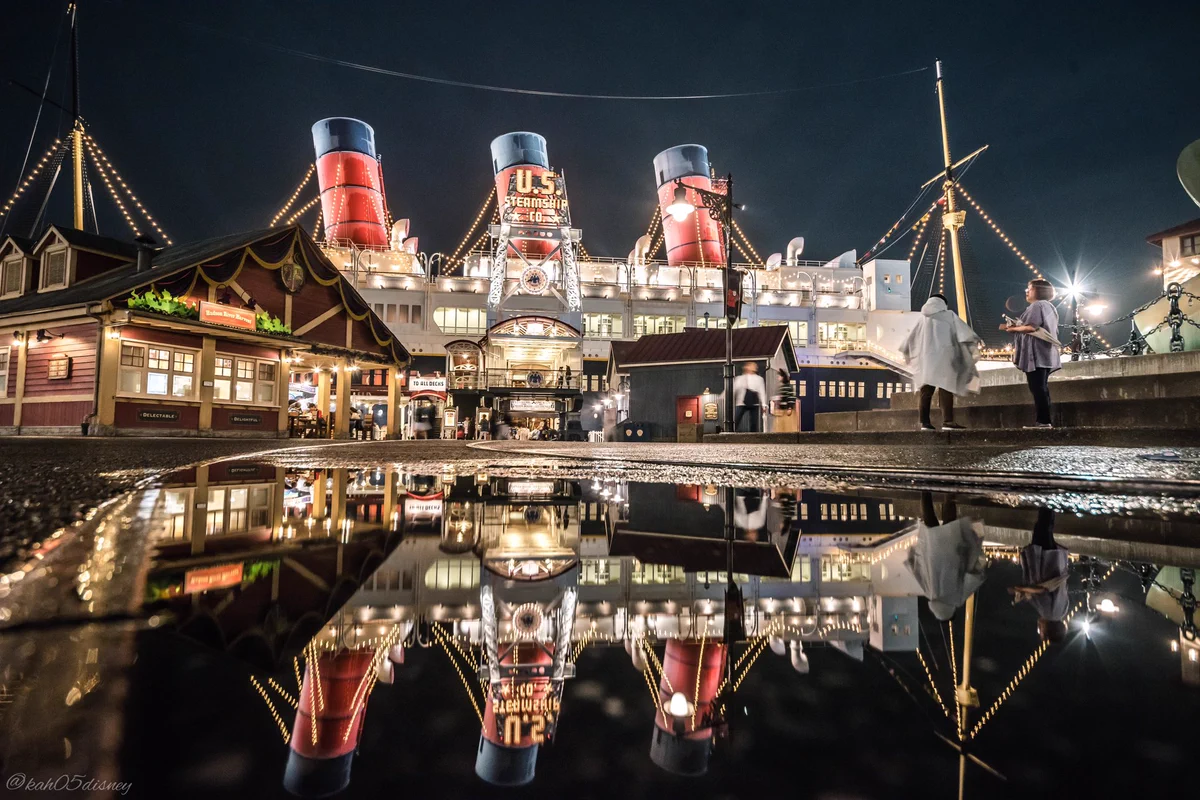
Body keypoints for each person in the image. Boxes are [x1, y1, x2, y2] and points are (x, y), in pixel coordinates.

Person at [900, 293, 982, 431]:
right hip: (945, 358)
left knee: (926, 391)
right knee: (946, 388)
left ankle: (924, 423)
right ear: (943, 303)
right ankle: (948, 421)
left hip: (926, 361)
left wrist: (910, 356)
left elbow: (909, 341)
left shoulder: (922, 319)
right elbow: (965, 335)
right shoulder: (949, 316)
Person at [904, 492, 987, 620]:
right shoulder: (929, 593)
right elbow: (916, 571)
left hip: (952, 551)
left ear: (950, 612)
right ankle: (924, 490)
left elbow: (973, 578)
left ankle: (949, 493)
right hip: (932, 548)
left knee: (950, 520)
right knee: (929, 516)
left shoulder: (957, 598)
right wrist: (912, 556)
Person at [1000, 279, 1061, 428]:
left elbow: (1031, 327)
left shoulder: (1037, 305)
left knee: (1037, 387)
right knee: (1042, 387)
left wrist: (1011, 329)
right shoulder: (1050, 306)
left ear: (1039, 291)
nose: (1027, 291)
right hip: (1046, 352)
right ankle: (1044, 420)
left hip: (1036, 354)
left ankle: (1043, 421)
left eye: (1030, 288)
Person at [1008, 508, 1069, 642]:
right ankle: (1047, 501)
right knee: (1041, 527)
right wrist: (1021, 589)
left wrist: (1024, 594)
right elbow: (1042, 590)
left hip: (1054, 562)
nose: (1039, 628)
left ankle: (1050, 505)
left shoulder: (1062, 612)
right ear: (1047, 630)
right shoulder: (1047, 613)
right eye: (1040, 631)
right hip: (1043, 562)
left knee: (1046, 528)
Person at [732, 362, 767, 433]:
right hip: (742, 401)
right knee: (736, 419)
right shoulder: (740, 378)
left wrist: (764, 404)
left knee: (754, 421)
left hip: (753, 401)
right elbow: (733, 389)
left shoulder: (759, 379)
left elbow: (762, 392)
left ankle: (753, 435)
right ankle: (731, 431)